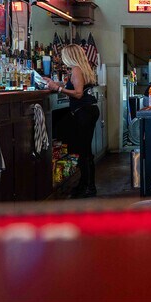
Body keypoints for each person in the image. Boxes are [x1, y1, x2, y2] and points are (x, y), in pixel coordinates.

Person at [44, 44, 100, 198]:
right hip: (89, 110)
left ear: (70, 56)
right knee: (85, 150)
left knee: (84, 150)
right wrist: (56, 83)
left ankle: (89, 187)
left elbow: (78, 93)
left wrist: (58, 89)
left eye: (63, 56)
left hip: (84, 112)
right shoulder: (82, 68)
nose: (62, 59)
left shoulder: (76, 69)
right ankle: (85, 184)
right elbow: (75, 86)